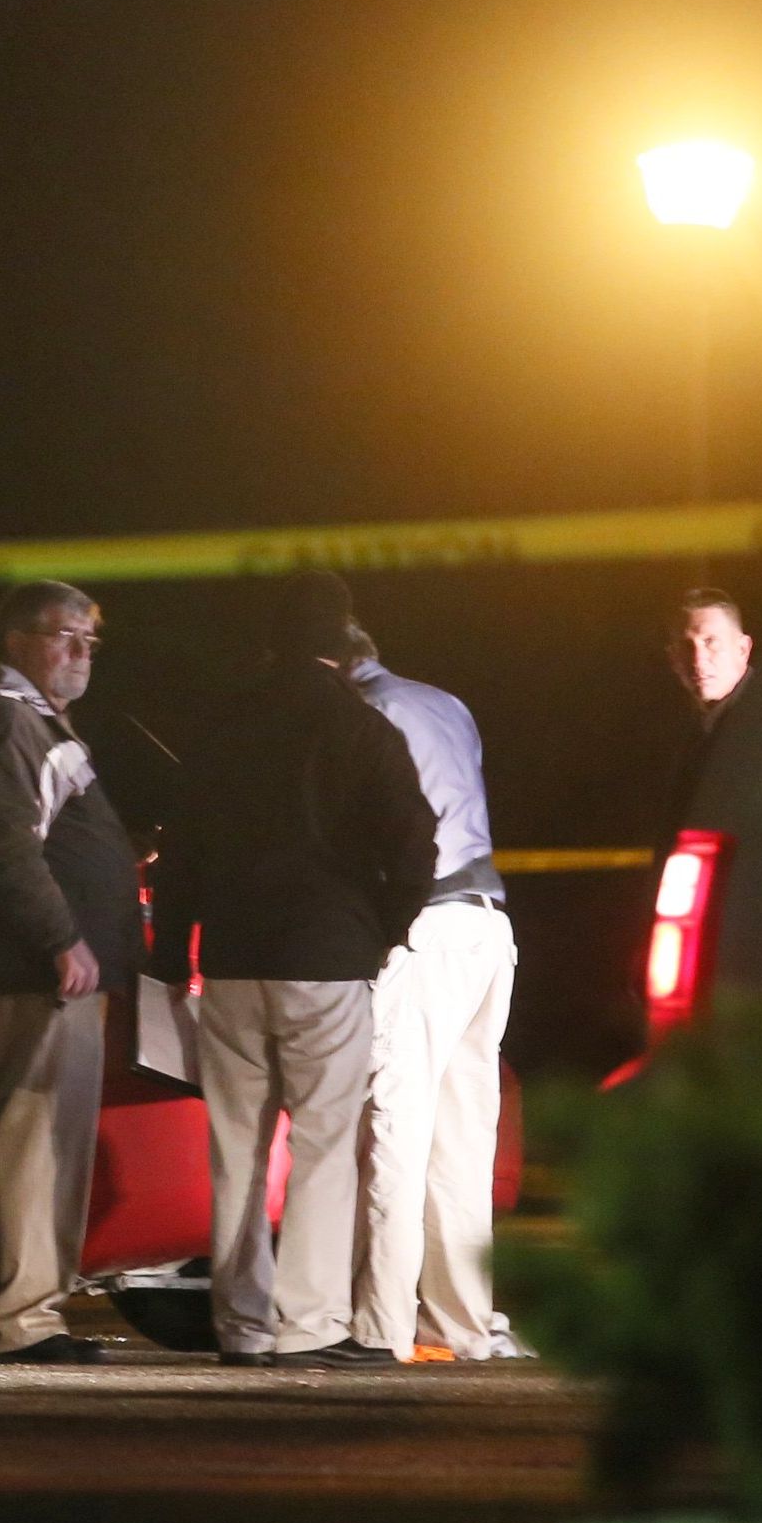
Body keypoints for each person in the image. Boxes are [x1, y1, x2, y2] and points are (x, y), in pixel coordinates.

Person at [148, 573, 435, 1368]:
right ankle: (309, 1324)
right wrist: (385, 930)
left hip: (235, 961)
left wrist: (173, 952)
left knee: (235, 1148)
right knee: (325, 1143)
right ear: (341, 644)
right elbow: (417, 845)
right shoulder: (363, 728)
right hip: (330, 960)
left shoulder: (221, 728)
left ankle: (241, 1326)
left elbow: (181, 855)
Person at [0, 579, 144, 1363]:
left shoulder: (25, 720)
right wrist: (64, 938)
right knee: (38, 1141)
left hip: (42, 970)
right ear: (18, 638)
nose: (82, 654)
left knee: (32, 1139)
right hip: (36, 974)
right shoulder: (10, 721)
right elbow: (6, 846)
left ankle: (3, 1310)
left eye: (92, 639)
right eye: (66, 636)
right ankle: (24, 1319)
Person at [346, 623, 516, 1364]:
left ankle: (379, 1327)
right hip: (488, 928)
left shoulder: (362, 718)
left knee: (395, 1131)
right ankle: (462, 1326)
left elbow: (380, 836)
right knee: (462, 1145)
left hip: (425, 931)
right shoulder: (445, 703)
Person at [660, 588, 754, 841]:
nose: (698, 660)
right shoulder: (685, 728)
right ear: (672, 659)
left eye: (711, 643)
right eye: (686, 646)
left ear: (743, 649)